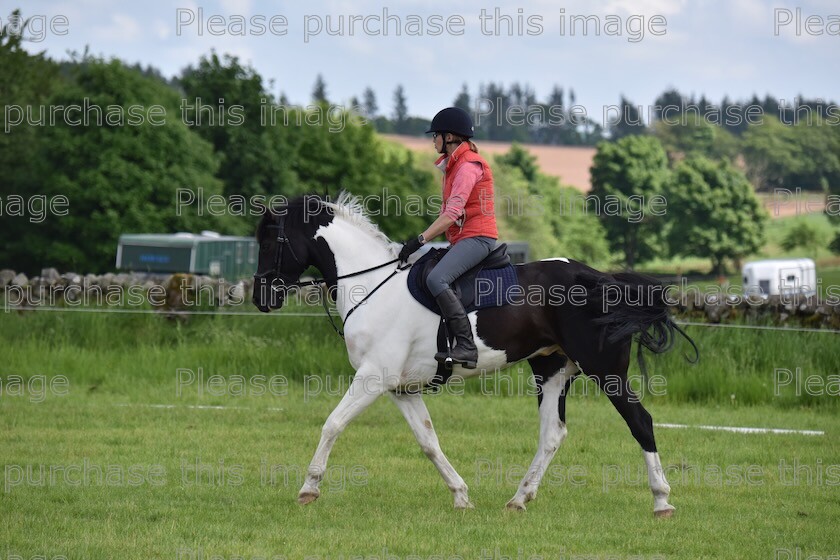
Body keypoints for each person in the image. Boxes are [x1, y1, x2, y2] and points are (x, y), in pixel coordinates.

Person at [398, 107, 498, 369]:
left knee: (436, 278)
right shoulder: (453, 166)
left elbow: (451, 214)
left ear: (450, 137)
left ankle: (466, 345)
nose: (433, 140)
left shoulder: (467, 166)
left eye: (436, 135)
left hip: (478, 238)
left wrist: (419, 241)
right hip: (464, 238)